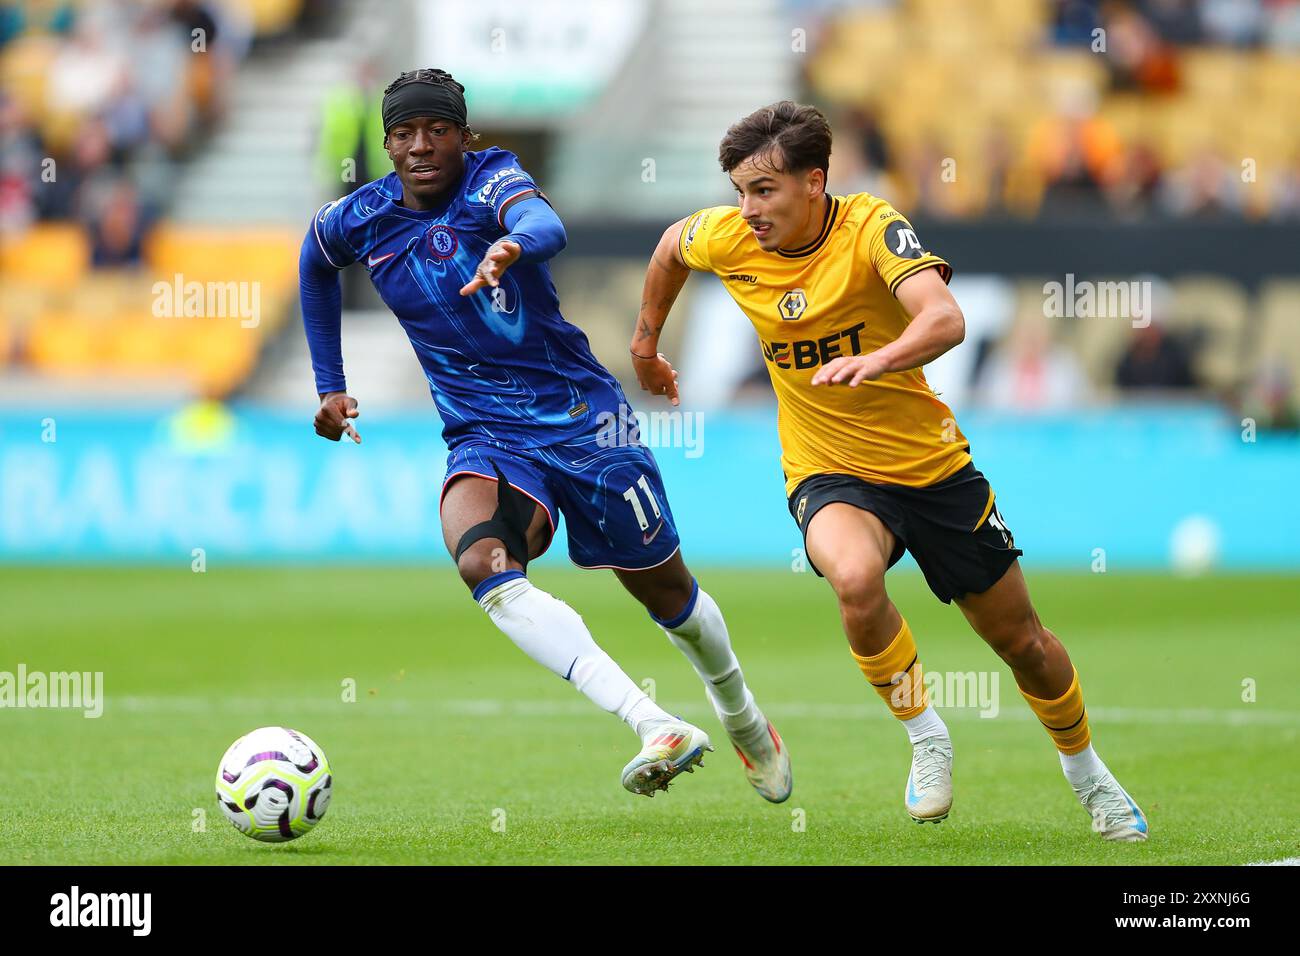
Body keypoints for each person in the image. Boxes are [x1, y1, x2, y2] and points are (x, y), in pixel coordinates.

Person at [631, 100, 1147, 840]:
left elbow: (945, 317)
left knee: (1023, 643)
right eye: (740, 191)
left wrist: (879, 358)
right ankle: (927, 735)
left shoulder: (872, 226)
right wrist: (646, 342)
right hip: (828, 470)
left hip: (931, 469)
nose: (747, 209)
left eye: (765, 191)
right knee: (853, 576)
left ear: (815, 182)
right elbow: (669, 249)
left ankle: (1087, 773)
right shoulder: (728, 236)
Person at [297, 69, 791, 801]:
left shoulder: (492, 180)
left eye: (438, 130)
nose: (421, 146)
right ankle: (652, 722)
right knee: (482, 561)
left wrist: (511, 248)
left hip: (584, 419)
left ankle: (743, 718)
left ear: (465, 138)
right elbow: (313, 263)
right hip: (486, 432)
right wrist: (329, 383)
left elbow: (545, 225)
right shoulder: (361, 216)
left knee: (666, 594)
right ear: (387, 142)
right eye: (404, 133)